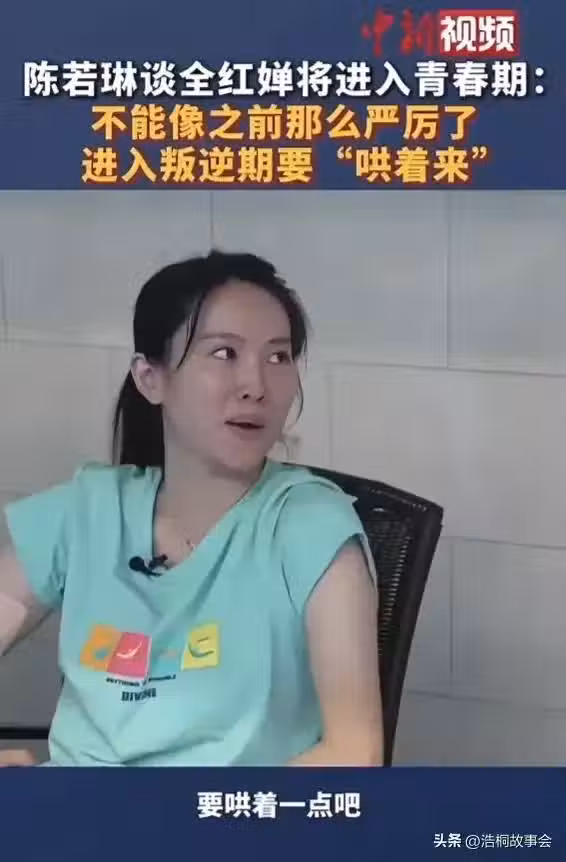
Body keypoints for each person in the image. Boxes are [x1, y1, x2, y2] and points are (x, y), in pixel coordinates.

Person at [0, 250, 383, 767]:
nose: (256, 386)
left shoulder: (310, 527)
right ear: (150, 378)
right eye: (224, 353)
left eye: (278, 357)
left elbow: (354, 752)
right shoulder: (86, 512)